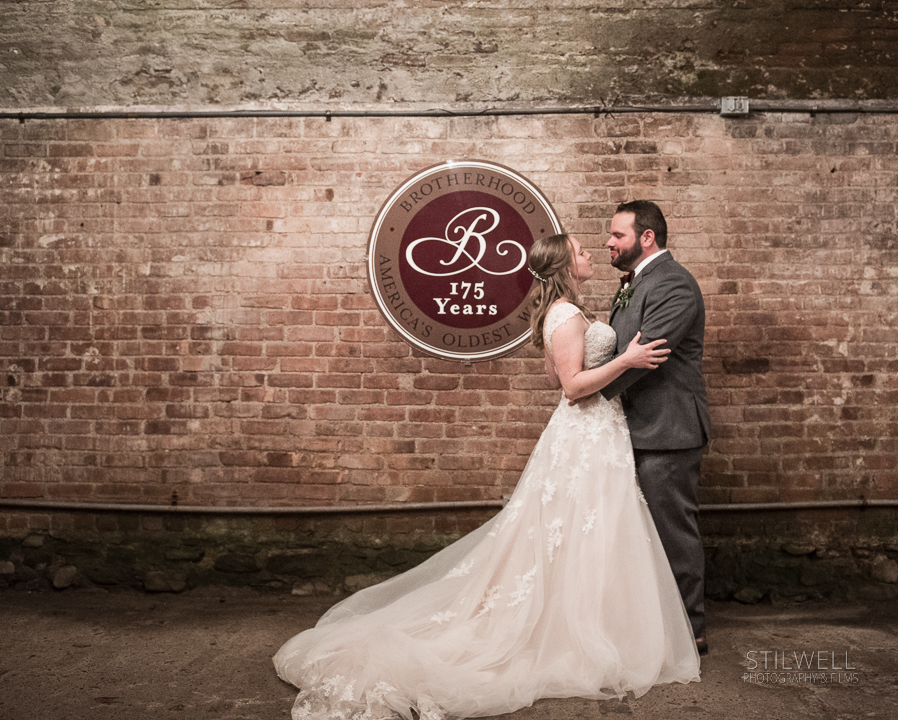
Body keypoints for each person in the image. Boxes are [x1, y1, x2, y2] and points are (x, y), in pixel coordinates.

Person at [273, 233, 700, 720]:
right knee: (579, 529)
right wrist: (625, 360)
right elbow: (570, 387)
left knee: (589, 531)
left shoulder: (562, 312)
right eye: (581, 252)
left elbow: (554, 373)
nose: (589, 255)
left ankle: (593, 623)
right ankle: (572, 633)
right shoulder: (565, 313)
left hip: (596, 435)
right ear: (564, 264)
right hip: (586, 432)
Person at [599, 200, 711, 656]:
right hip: (638, 426)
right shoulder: (635, 284)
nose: (608, 242)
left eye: (617, 235)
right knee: (642, 533)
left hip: (668, 429)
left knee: (672, 531)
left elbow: (649, 355)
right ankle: (653, 624)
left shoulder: (673, 285)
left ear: (647, 237)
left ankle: (690, 630)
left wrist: (587, 392)